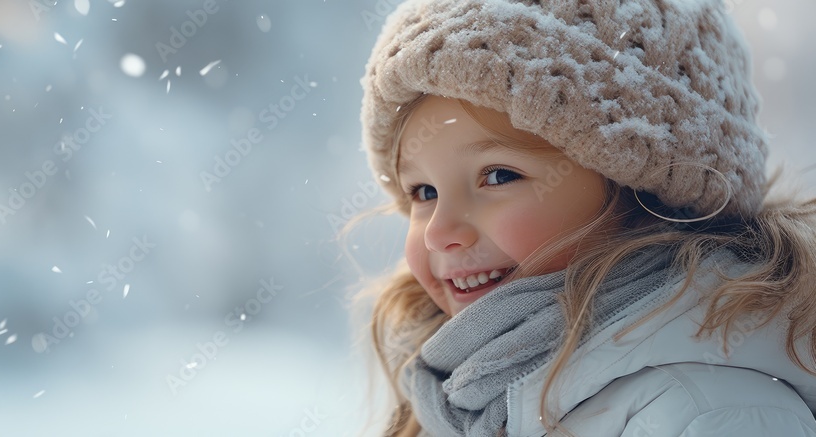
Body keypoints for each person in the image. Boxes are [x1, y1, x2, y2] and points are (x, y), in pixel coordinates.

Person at [341, 0, 816, 435]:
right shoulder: (462, 396)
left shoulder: (710, 413)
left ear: (644, 193)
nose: (440, 233)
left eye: (500, 176)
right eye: (423, 192)